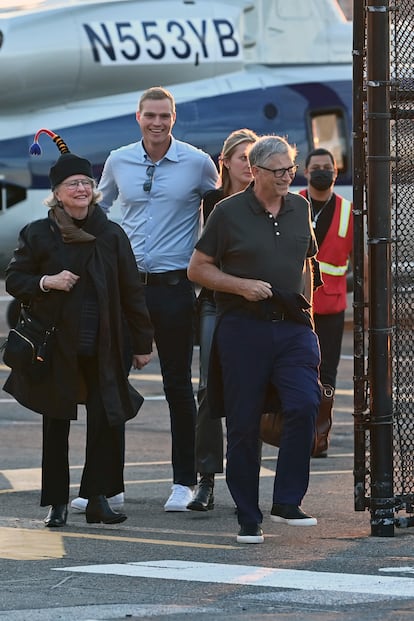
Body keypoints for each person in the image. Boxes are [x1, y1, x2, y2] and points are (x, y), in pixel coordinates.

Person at [3, 129, 154, 527]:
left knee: (105, 422)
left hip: (105, 344)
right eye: (74, 184)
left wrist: (142, 342)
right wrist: (45, 282)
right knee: (56, 423)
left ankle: (97, 498)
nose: (83, 189)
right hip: (55, 346)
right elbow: (14, 280)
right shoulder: (38, 232)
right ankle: (57, 502)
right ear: (57, 192)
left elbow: (131, 292)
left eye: (87, 183)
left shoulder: (111, 234)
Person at [187, 135, 321, 544]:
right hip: (243, 326)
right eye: (278, 171)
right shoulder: (226, 213)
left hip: (292, 326)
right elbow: (197, 269)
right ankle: (249, 514)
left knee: (305, 402)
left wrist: (309, 319)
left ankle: (286, 501)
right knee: (243, 423)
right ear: (257, 171)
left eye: (290, 170)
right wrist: (240, 286)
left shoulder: (300, 207)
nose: (286, 177)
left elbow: (306, 266)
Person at [97, 86, 219, 511]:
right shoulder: (118, 160)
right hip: (126, 290)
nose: (157, 122)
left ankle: (183, 481)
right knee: (112, 382)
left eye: (164, 115)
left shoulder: (197, 163)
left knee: (177, 387)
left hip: (173, 289)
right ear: (138, 117)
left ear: (174, 118)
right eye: (150, 115)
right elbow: (101, 211)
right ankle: (109, 484)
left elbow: (221, 206)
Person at [187, 128, 258, 512]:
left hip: (254, 306)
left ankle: (245, 480)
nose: (249, 165)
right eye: (242, 157)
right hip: (216, 302)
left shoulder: (267, 197)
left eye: (254, 157)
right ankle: (206, 479)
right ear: (226, 162)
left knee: (252, 390)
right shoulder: (214, 200)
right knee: (207, 391)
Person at [300, 147, 353, 457]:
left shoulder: (348, 211)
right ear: (306, 172)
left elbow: (361, 258)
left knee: (327, 374)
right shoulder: (293, 205)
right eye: (315, 166)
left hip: (331, 307)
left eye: (327, 167)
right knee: (296, 370)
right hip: (298, 303)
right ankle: (294, 432)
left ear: (336, 172)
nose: (322, 171)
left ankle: (319, 437)